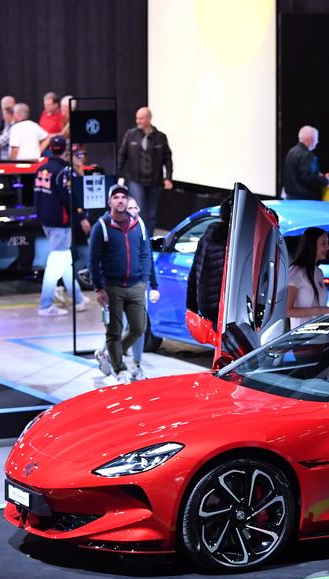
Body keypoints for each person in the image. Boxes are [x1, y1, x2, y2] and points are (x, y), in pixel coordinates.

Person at [89, 184, 150, 384]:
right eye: (116, 197)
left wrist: (144, 279)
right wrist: (98, 287)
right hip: (112, 287)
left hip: (136, 286)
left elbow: (144, 252)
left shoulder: (138, 224)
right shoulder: (102, 227)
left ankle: (114, 354)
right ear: (110, 202)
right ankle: (119, 368)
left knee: (138, 327)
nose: (121, 200)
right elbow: (93, 260)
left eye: (123, 197)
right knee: (114, 330)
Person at [34, 136, 88, 316]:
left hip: (47, 223)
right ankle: (45, 305)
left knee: (65, 263)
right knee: (55, 265)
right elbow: (68, 198)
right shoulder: (62, 172)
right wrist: (81, 216)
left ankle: (78, 299)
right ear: (64, 150)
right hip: (60, 224)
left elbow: (36, 197)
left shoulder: (42, 169)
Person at [118, 107, 174, 236]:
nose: (137, 121)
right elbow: (122, 154)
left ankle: (148, 239)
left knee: (152, 213)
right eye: (137, 118)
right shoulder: (130, 134)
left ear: (149, 119)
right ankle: (139, 236)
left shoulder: (160, 137)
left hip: (155, 181)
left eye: (141, 118)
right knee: (140, 210)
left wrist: (168, 177)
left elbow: (168, 158)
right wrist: (120, 175)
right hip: (136, 180)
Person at [187, 196, 231, 329]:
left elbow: (194, 270)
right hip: (226, 307)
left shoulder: (208, 235)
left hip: (206, 303)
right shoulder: (235, 241)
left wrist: (192, 305)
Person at [286, 227, 329, 328]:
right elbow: (287, 311)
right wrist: (320, 310)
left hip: (321, 334)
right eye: (323, 243)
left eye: (327, 243)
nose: (328, 247)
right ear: (311, 245)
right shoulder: (296, 271)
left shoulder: (319, 272)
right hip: (302, 337)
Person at [282, 125, 329, 200]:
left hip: (290, 198)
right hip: (305, 200)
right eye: (316, 138)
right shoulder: (308, 155)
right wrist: (326, 180)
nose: (317, 142)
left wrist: (317, 175)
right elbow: (309, 179)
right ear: (311, 139)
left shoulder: (291, 151)